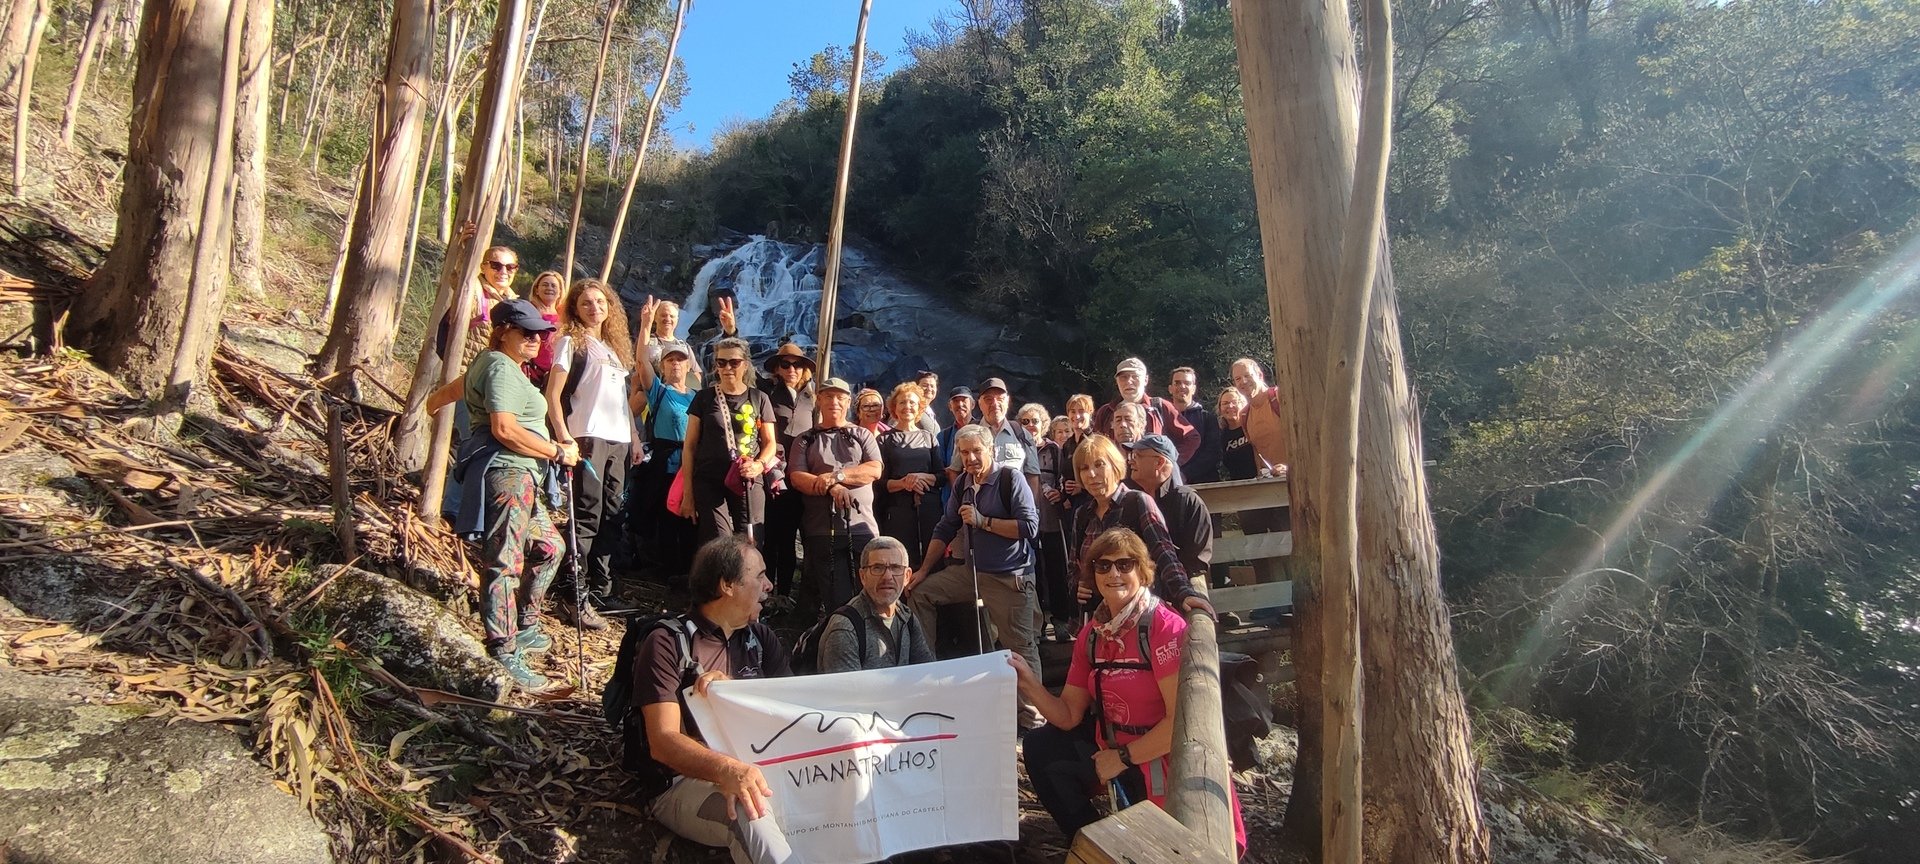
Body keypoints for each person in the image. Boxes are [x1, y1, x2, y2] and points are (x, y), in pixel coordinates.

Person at [1010, 527, 1245, 849]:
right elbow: (1067, 715)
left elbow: (1181, 723)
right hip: (1112, 744)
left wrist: (1123, 757)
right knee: (1041, 746)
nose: (1113, 574)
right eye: (1103, 566)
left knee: (1174, 847)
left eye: (1125, 565)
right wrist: (1027, 682)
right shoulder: (1093, 633)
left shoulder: (1162, 627)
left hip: (1160, 752)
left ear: (1143, 571)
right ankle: (1095, 845)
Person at [636, 534, 798, 864]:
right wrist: (726, 769)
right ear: (727, 585)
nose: (768, 586)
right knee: (750, 811)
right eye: (760, 576)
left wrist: (734, 693)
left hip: (762, 767)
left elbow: (790, 715)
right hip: (683, 783)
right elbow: (663, 742)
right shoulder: (668, 642)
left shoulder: (761, 638)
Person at [450, 299, 580, 692]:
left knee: (549, 547)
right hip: (508, 473)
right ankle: (503, 648)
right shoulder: (501, 368)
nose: (536, 339)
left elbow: (452, 391)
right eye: (526, 332)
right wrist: (558, 450)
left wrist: (428, 407)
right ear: (503, 329)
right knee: (504, 559)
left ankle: (523, 624)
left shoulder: (496, 366)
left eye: (541, 333)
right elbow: (504, 429)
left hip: (521, 475)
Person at [906, 424, 1043, 723]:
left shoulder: (1010, 478)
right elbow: (946, 526)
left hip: (1010, 577)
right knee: (922, 592)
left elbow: (1029, 527)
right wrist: (923, 570)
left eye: (976, 451)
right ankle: (928, 677)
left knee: (1019, 646)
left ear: (990, 449)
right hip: (972, 572)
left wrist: (984, 522)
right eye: (964, 452)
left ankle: (1033, 717)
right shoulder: (963, 483)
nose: (970, 458)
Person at [543, 279, 637, 630]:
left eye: (600, 302)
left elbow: (622, 403)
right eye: (586, 303)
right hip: (587, 437)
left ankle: (602, 588)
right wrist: (564, 436)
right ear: (575, 309)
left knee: (613, 514)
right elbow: (553, 395)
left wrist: (634, 440)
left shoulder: (613, 349)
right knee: (586, 514)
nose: (595, 308)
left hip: (617, 441)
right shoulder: (570, 342)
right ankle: (573, 595)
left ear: (609, 307)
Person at [1069, 436, 1211, 616]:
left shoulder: (1137, 502)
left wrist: (1184, 593)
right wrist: (1078, 586)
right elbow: (1073, 567)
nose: (1091, 474)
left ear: (1115, 466)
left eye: (1099, 465)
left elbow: (1164, 552)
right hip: (1096, 620)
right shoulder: (1082, 514)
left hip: (1139, 618)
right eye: (1084, 468)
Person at [786, 377, 885, 614]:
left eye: (840, 397)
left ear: (848, 402)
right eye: (828, 396)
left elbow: (875, 469)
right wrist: (832, 487)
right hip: (822, 530)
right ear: (819, 400)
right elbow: (797, 477)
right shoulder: (805, 439)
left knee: (873, 594)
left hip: (862, 528)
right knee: (837, 601)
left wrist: (837, 477)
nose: (834, 402)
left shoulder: (862, 434)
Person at [676, 338, 778, 544]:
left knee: (751, 540)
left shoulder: (759, 398)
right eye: (721, 362)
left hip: (747, 478)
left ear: (745, 364)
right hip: (708, 479)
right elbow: (689, 447)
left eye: (734, 362)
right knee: (717, 540)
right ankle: (719, 577)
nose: (727, 367)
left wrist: (759, 465)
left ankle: (748, 577)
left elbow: (770, 444)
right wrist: (688, 493)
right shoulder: (703, 398)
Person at [634, 296, 699, 579]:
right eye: (670, 360)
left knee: (686, 516)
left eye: (680, 361)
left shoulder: (697, 397)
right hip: (664, 460)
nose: (675, 364)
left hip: (690, 462)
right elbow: (640, 362)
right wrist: (646, 326)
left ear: (688, 366)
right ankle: (662, 568)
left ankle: (685, 569)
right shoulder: (658, 390)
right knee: (662, 513)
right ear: (663, 366)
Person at [818, 536, 938, 673]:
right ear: (863, 576)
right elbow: (847, 692)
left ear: (907, 576)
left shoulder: (907, 618)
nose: (887, 576)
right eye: (877, 568)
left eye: (895, 568)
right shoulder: (845, 629)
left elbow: (927, 673)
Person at [758, 342, 816, 597]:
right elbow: (742, 373)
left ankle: (784, 594)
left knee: (791, 537)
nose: (792, 369)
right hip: (772, 474)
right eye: (786, 364)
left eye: (797, 364)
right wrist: (730, 332)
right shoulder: (768, 392)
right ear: (777, 369)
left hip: (800, 476)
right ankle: (767, 591)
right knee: (770, 536)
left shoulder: (813, 397)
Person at [1229, 358, 1290, 585]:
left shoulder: (1279, 398)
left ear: (1260, 374)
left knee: (1290, 543)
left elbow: (1307, 436)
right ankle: (1273, 602)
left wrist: (1292, 467)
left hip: (1295, 483)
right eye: (1237, 379)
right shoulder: (1245, 414)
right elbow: (1258, 450)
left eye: (1247, 375)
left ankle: (1299, 602)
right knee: (1259, 537)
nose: (1243, 381)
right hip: (1269, 487)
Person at [1122, 435, 1212, 586]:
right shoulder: (1131, 502)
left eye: (1137, 455)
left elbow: (1196, 563)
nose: (1130, 461)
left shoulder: (1188, 502)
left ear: (1159, 462)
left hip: (1184, 585)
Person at [1023, 403, 1075, 643]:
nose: (1031, 426)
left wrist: (1059, 493)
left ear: (1044, 424)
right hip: (1026, 524)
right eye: (1025, 422)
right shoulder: (1017, 449)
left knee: (1057, 571)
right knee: (1033, 573)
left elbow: (1065, 479)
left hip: (1052, 520)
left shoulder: (1053, 449)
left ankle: (1061, 620)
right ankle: (1038, 624)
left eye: (1035, 421)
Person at [1091, 358, 1200, 463]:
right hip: (1115, 478)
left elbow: (1192, 437)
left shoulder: (1160, 407)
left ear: (1146, 380)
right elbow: (1094, 445)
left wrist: (1173, 463)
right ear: (1117, 381)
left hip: (1153, 479)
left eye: (1135, 376)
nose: (1129, 381)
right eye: (1123, 377)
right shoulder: (1106, 412)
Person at [878, 382, 942, 561]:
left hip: (928, 509)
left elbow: (942, 476)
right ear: (894, 408)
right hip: (898, 511)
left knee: (931, 560)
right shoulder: (884, 440)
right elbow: (879, 483)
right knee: (902, 559)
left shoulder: (928, 437)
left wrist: (922, 477)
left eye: (912, 403)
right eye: (902, 403)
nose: (908, 407)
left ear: (920, 407)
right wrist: (904, 483)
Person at [976, 378, 1041, 478]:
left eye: (1000, 399)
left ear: (1007, 401)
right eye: (988, 399)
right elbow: (954, 471)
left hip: (1015, 493)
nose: (995, 404)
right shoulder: (969, 435)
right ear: (980, 404)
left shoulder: (1023, 435)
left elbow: (1033, 475)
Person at [1167, 367, 1220, 484]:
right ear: (1170, 388)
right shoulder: (1161, 417)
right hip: (1168, 484)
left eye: (1187, 383)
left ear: (1194, 389)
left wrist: (1184, 474)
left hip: (1205, 484)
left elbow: (1212, 453)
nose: (1182, 386)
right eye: (1177, 383)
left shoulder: (1208, 418)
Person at [640, 297, 708, 390]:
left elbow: (697, 375)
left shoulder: (684, 346)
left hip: (678, 399)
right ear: (655, 317)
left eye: (672, 316)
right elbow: (640, 364)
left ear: (677, 319)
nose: (668, 319)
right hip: (652, 394)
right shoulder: (646, 342)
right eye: (663, 315)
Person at [934, 386, 975, 508]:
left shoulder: (982, 429)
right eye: (955, 401)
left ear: (973, 404)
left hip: (979, 497)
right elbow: (939, 469)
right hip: (950, 500)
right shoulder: (943, 436)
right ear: (950, 406)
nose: (960, 404)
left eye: (964, 400)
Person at [525, 270, 565, 383]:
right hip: (530, 372)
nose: (549, 288)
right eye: (545, 284)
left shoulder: (565, 318)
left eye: (554, 285)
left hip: (553, 376)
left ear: (560, 292)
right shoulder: (528, 312)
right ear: (536, 290)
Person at [1217, 387, 1256, 483]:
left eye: (1235, 402)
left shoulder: (1253, 426)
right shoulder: (1221, 436)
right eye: (1225, 403)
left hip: (1261, 482)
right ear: (1220, 408)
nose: (1230, 406)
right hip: (1237, 487)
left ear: (1243, 404)